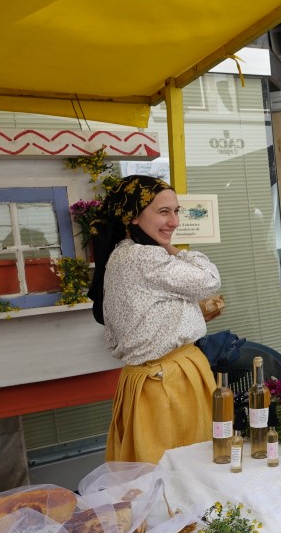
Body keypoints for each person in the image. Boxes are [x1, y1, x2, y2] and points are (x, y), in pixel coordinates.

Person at [87, 175, 223, 464]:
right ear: (133, 216)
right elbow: (209, 280)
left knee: (160, 470)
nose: (174, 221)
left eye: (176, 211)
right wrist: (173, 249)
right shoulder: (144, 258)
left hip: (151, 379)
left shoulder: (121, 255)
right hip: (169, 382)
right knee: (184, 470)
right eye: (163, 212)